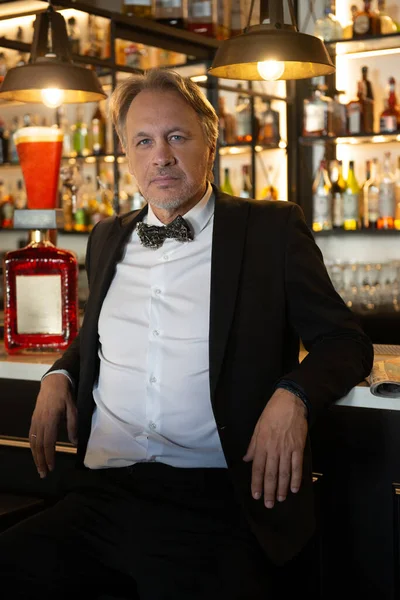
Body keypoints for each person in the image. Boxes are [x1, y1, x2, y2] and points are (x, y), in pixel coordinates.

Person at [0, 68, 373, 599]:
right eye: (144, 142)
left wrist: (294, 396)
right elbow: (103, 335)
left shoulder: (269, 230)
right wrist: (61, 371)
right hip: (102, 495)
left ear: (210, 143)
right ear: (128, 155)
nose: (162, 156)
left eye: (177, 136)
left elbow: (345, 340)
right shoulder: (108, 235)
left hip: (215, 501)